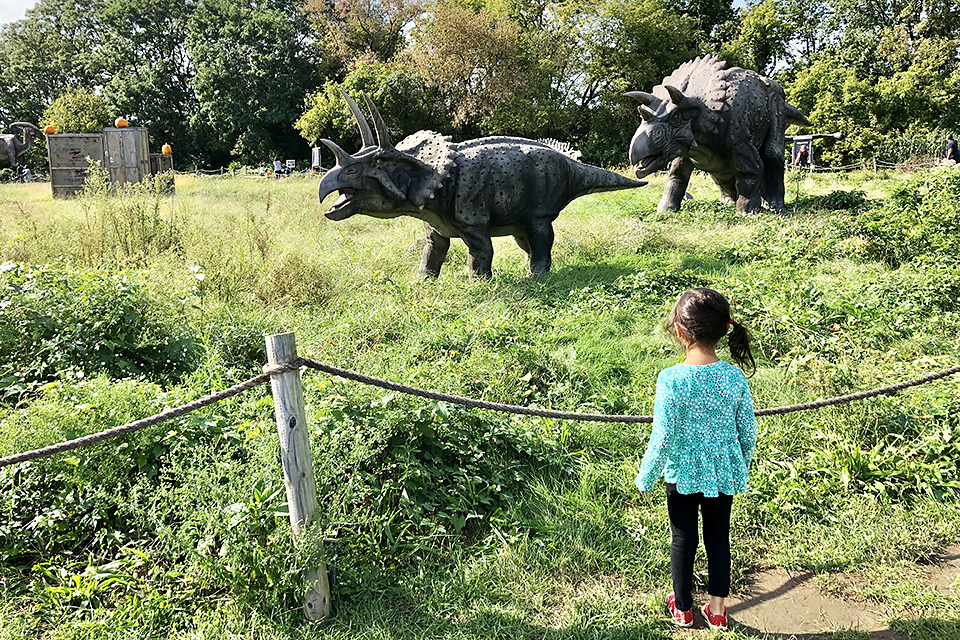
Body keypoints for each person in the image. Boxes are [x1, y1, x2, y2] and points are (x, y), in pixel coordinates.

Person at [635, 288, 757, 632]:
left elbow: (663, 438)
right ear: (722, 331)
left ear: (680, 331)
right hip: (722, 473)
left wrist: (647, 476)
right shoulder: (733, 377)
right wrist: (740, 464)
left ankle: (684, 609)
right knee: (719, 537)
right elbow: (747, 432)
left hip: (682, 475)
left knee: (682, 538)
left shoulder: (671, 379)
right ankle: (717, 611)